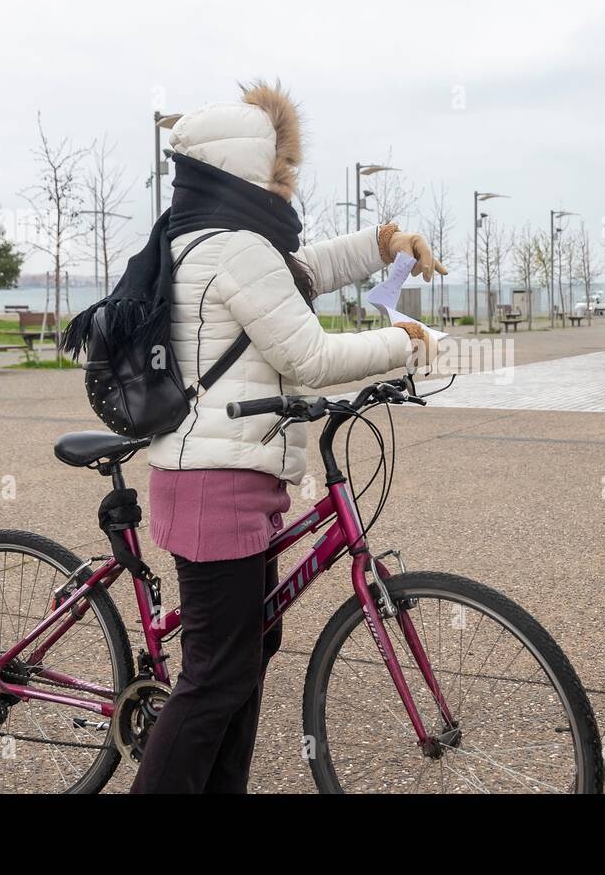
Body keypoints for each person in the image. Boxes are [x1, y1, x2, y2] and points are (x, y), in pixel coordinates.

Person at [128, 82, 443, 793]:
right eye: (278, 171)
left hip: (232, 477)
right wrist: (403, 339)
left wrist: (382, 243)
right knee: (215, 675)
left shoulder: (222, 239)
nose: (287, 184)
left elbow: (305, 273)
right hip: (215, 481)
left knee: (246, 654)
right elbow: (311, 358)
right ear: (243, 169)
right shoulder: (234, 249)